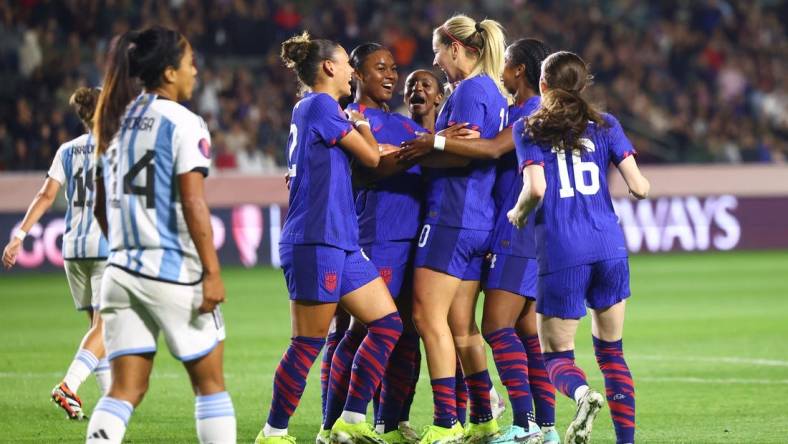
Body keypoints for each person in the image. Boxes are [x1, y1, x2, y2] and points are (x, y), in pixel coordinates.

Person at [400, 38, 557, 444]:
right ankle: (521, 423)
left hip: (493, 225)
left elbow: (483, 150)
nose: (500, 70)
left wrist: (430, 142)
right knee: (484, 327)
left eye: (507, 63)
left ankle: (462, 421)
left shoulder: (523, 112)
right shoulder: (514, 107)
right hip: (498, 225)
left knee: (452, 322)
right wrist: (434, 140)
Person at [87, 26, 236, 444]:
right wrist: (212, 272)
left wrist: (124, 247)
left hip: (119, 273)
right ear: (169, 73)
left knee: (124, 391)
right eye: (190, 63)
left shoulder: (114, 118)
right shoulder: (184, 123)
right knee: (210, 384)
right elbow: (193, 202)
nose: (195, 71)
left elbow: (100, 204)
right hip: (173, 273)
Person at [256, 32, 402, 444]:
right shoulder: (321, 105)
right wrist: (362, 124)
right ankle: (273, 432)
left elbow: (373, 150)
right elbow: (373, 156)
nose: (352, 71)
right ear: (328, 68)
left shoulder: (318, 111)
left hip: (341, 241)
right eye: (346, 63)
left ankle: (350, 422)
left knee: (388, 324)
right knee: (307, 344)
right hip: (315, 240)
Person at [509, 51, 650, 444]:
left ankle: (583, 395)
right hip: (609, 247)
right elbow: (639, 187)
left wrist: (518, 214)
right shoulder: (607, 125)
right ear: (584, 85)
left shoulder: (529, 128)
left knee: (557, 356)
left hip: (561, 250)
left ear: (542, 86)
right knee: (612, 353)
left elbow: (535, 188)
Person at [317, 43, 425, 444]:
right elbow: (370, 171)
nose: (391, 75)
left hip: (413, 243)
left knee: (404, 336)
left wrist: (431, 143)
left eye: (394, 68)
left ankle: (390, 423)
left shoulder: (408, 128)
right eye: (380, 67)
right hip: (375, 237)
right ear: (357, 74)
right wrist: (419, 151)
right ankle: (335, 423)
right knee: (359, 332)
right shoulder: (350, 120)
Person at [410, 15, 508, 444]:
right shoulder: (493, 91)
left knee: (426, 318)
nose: (436, 62)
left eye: (437, 52)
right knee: (462, 326)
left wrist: (422, 149)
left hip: (450, 217)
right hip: (477, 222)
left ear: (454, 48)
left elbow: (465, 154)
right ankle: (483, 417)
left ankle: (446, 421)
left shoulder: (469, 90)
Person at [2, 86, 111, 420]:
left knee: (97, 327)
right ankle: (69, 385)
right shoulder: (116, 148)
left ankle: (110, 401)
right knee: (108, 326)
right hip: (106, 245)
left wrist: (19, 235)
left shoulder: (67, 150)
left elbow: (46, 194)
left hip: (74, 249)